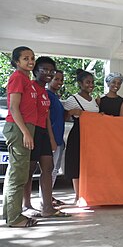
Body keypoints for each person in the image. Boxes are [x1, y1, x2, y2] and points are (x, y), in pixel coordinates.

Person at [22, 57, 69, 217]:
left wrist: (51, 139)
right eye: (44, 70)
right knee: (28, 170)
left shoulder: (46, 93)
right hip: (32, 132)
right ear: (35, 70)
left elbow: (47, 117)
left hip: (44, 134)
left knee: (48, 169)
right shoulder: (30, 87)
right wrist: (26, 133)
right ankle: (26, 205)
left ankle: (47, 207)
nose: (48, 73)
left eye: (51, 70)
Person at [2, 46, 39, 227]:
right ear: (17, 61)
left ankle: (9, 214)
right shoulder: (17, 77)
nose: (30, 61)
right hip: (18, 129)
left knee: (14, 173)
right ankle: (15, 218)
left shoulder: (26, 79)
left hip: (23, 128)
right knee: (19, 176)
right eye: (25, 58)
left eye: (32, 58)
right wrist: (25, 132)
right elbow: (14, 108)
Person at [64, 69, 100, 205]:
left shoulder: (95, 101)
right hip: (78, 134)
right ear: (80, 83)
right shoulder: (72, 99)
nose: (90, 85)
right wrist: (72, 112)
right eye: (87, 82)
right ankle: (78, 195)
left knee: (91, 163)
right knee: (76, 163)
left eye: (92, 82)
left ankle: (89, 192)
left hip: (93, 135)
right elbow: (64, 117)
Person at [46, 69, 67, 205]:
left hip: (58, 139)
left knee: (54, 169)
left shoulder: (55, 97)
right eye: (56, 79)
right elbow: (47, 119)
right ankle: (46, 199)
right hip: (52, 139)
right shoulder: (47, 95)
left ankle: (49, 196)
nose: (59, 82)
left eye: (61, 79)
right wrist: (52, 139)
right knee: (50, 170)